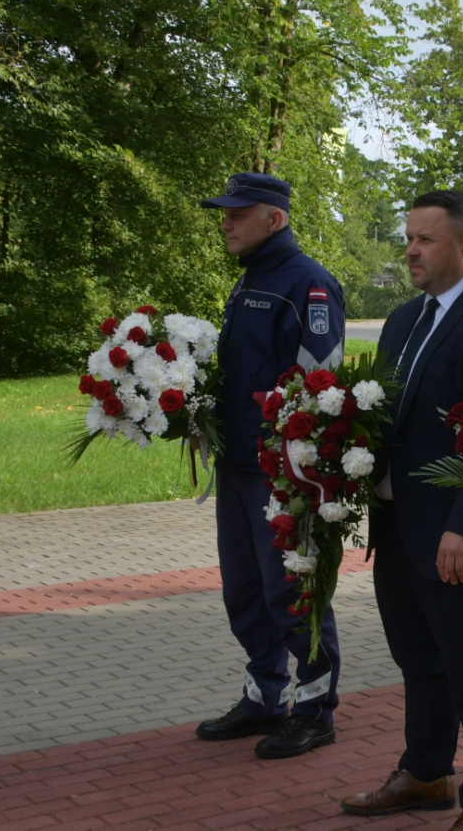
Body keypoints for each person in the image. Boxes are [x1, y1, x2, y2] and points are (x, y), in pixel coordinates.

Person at [340, 190, 463, 831]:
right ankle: (426, 772)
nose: (410, 250)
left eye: (425, 239)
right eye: (409, 238)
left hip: (459, 533)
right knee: (419, 660)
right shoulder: (403, 319)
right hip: (399, 525)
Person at [193, 173, 346, 759]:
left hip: (281, 473)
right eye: (224, 212)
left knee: (292, 591)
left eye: (238, 213)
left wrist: (298, 471)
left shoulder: (307, 284)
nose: (226, 222)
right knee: (245, 590)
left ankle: (314, 710)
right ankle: (264, 697)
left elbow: (319, 383)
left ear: (274, 219)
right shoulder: (249, 280)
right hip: (236, 465)